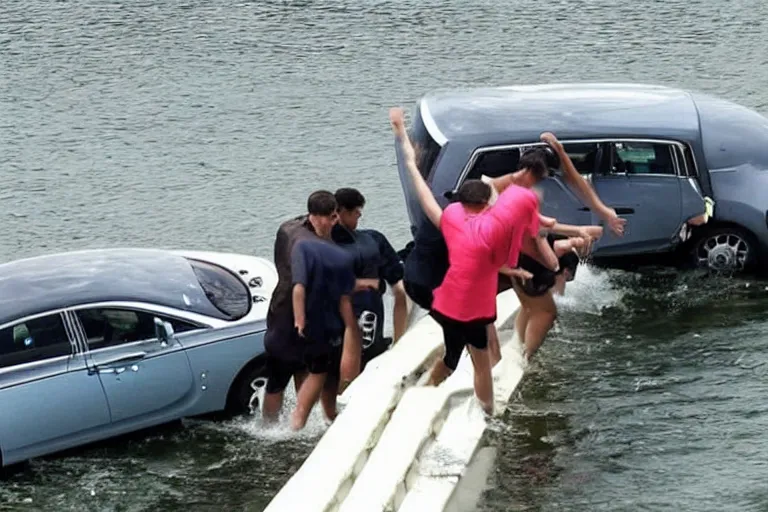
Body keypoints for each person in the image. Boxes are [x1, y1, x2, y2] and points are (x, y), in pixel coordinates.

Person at [391, 106, 539, 415]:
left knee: (457, 348)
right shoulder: (494, 225)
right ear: (485, 204)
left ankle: (426, 389)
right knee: (478, 360)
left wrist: (401, 132)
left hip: (440, 298)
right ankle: (487, 411)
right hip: (467, 303)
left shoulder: (448, 219)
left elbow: (418, 180)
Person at [262, 191, 376, 425]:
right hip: (298, 315)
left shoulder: (288, 228)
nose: (330, 223)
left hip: (280, 312)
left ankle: (273, 426)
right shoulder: (310, 246)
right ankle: (295, 423)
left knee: (289, 371)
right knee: (289, 372)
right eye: (330, 217)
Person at [289, 237, 360, 431]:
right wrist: (299, 319)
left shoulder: (321, 256)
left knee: (330, 375)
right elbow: (299, 288)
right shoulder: (315, 253)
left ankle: (329, 417)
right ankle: (298, 421)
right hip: (318, 326)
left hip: (328, 326)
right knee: (318, 373)